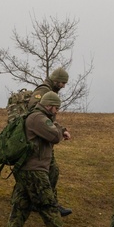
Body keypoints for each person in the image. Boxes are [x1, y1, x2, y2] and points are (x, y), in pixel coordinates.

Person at [0, 91, 91, 227]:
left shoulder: (37, 117)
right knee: (49, 206)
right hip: (34, 171)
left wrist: (57, 127)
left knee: (20, 209)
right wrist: (59, 129)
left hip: (27, 170)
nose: (57, 111)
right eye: (56, 108)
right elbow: (54, 137)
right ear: (50, 105)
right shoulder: (38, 118)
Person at [28, 66, 72, 217]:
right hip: (38, 138)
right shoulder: (43, 91)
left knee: (47, 172)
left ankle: (39, 202)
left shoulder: (49, 92)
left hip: (43, 136)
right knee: (52, 170)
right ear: (56, 80)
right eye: (62, 83)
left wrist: (61, 128)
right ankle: (49, 205)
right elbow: (36, 113)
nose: (64, 86)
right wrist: (53, 131)